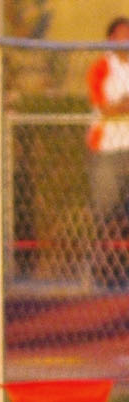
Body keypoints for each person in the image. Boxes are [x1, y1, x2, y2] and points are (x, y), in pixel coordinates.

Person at [87, 17, 129, 286]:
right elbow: (104, 107)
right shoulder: (101, 67)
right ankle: (102, 272)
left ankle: (122, 270)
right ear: (110, 39)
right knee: (107, 215)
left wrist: (123, 104)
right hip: (107, 150)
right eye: (121, 35)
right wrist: (121, 105)